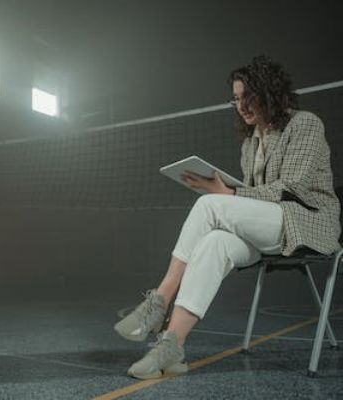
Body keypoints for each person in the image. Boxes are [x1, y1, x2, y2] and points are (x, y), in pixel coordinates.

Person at [113, 55, 341, 380]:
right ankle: (172, 344)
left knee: (209, 205)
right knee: (215, 242)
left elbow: (291, 187)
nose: (241, 106)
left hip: (305, 222)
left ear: (269, 92)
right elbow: (254, 196)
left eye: (248, 96)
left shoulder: (305, 123)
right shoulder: (250, 143)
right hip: (270, 230)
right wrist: (227, 190)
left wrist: (228, 194)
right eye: (235, 99)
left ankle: (160, 300)